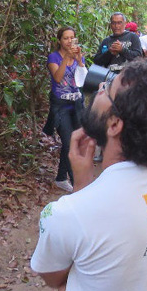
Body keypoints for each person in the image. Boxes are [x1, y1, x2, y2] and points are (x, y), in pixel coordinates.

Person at [31, 58, 147, 291]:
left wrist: (80, 190)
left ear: (115, 124)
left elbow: (54, 277)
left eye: (107, 88)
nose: (98, 89)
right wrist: (84, 185)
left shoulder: (67, 214)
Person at [45, 26, 86, 192]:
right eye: (66, 38)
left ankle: (61, 178)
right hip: (61, 106)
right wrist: (66, 59)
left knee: (75, 142)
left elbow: (83, 80)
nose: (69, 41)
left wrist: (79, 60)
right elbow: (58, 77)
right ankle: (77, 185)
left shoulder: (76, 56)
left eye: (72, 38)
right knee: (68, 143)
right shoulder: (53, 57)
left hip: (76, 105)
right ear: (59, 41)